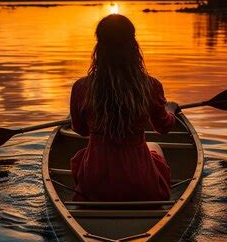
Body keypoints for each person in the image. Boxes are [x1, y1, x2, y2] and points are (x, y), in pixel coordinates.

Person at [70, 14, 179, 201]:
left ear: (99, 48)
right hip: (142, 184)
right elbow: (163, 128)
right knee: (155, 146)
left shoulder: (81, 87)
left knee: (82, 155)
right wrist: (170, 110)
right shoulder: (151, 86)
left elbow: (81, 130)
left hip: (95, 184)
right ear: (133, 45)